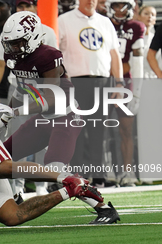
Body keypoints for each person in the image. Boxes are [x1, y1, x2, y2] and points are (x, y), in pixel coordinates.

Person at [0, 11, 120, 224]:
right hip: (45, 118)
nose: (12, 48)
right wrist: (4, 119)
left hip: (66, 116)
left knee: (55, 170)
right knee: (2, 157)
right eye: (9, 43)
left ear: (32, 38)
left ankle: (104, 208)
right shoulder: (18, 58)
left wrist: (18, 112)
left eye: (17, 42)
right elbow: (22, 91)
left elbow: (52, 96)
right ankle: (13, 197)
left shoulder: (48, 55)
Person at [0, 0, 58, 197]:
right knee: (17, 138)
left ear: (36, 8)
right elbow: (0, 64)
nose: (24, 10)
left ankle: (41, 184)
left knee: (43, 137)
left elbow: (52, 66)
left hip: (42, 90)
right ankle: (17, 185)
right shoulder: (8, 33)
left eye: (28, 6)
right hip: (19, 89)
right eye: (20, 7)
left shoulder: (47, 32)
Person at [58, 0, 123, 187]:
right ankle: (78, 175)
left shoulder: (105, 22)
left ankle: (99, 176)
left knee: (99, 130)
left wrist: (118, 83)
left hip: (101, 81)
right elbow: (56, 52)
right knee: (75, 131)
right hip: (74, 82)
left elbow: (114, 54)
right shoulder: (64, 20)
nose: (90, 1)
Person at [106, 0, 145, 186]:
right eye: (116, 5)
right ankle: (105, 170)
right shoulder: (101, 22)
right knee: (100, 129)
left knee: (126, 130)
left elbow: (137, 61)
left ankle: (128, 172)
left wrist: (136, 92)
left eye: (123, 5)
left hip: (126, 82)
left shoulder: (136, 27)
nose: (119, 10)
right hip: (103, 81)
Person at [137, 5, 161, 78]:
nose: (150, 17)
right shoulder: (133, 38)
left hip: (153, 78)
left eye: (153, 15)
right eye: (146, 14)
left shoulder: (157, 40)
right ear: (139, 17)